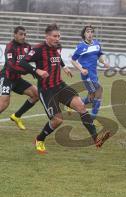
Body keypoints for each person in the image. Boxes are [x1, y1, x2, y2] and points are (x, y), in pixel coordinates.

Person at [19, 23, 110, 154]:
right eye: (55, 36)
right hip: (46, 89)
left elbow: (58, 58)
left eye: (59, 36)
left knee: (81, 107)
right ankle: (40, 139)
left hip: (60, 85)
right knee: (57, 120)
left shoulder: (57, 47)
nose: (57, 39)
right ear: (47, 36)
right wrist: (36, 70)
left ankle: (96, 139)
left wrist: (65, 67)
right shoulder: (38, 49)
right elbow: (22, 62)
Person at [0, 26, 38, 130]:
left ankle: (16, 116)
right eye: (21, 34)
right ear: (15, 35)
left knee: (36, 94)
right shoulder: (10, 46)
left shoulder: (28, 47)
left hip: (17, 79)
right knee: (4, 104)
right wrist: (28, 71)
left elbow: (34, 59)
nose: (23, 36)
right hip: (7, 78)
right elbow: (11, 65)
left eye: (25, 34)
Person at [71, 25, 109, 120]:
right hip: (87, 74)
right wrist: (81, 69)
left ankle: (72, 105)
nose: (90, 34)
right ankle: (92, 118)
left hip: (94, 73)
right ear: (84, 34)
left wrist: (104, 62)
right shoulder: (81, 46)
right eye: (88, 32)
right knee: (99, 90)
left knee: (91, 98)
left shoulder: (96, 44)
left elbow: (100, 55)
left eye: (91, 32)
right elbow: (73, 60)